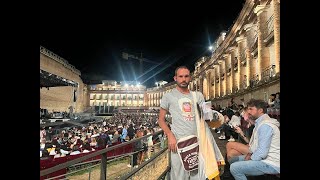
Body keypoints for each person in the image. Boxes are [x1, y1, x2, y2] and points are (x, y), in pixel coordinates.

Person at [158, 66, 206, 179]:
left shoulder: (198, 95)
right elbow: (160, 119)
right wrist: (170, 135)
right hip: (178, 142)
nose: (183, 79)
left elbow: (207, 116)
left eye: (186, 76)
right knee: (179, 176)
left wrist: (214, 116)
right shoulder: (168, 96)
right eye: (180, 76)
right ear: (175, 78)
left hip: (198, 142)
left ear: (190, 78)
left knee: (198, 175)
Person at [229, 99, 280, 179]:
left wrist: (250, 158)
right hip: (264, 158)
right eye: (248, 109)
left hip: (272, 162)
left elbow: (262, 153)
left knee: (234, 168)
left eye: (251, 109)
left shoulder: (265, 125)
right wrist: (250, 154)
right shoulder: (260, 123)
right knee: (233, 160)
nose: (248, 111)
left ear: (260, 110)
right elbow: (255, 145)